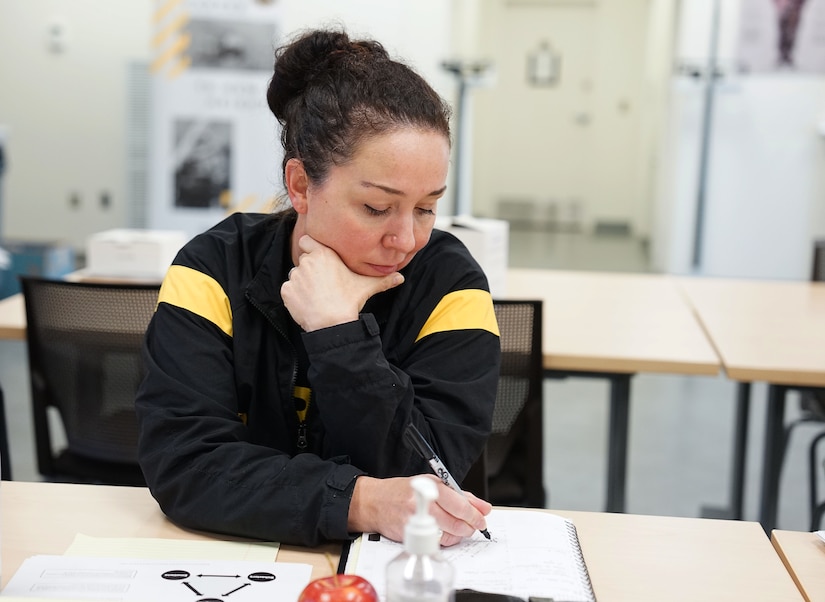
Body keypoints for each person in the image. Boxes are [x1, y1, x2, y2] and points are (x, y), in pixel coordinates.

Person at [135, 28, 501, 548]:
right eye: (376, 207)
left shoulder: (450, 285)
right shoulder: (213, 269)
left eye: (426, 208)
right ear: (301, 185)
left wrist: (338, 332)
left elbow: (428, 477)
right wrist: (361, 502)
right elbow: (185, 464)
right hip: (236, 560)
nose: (405, 238)